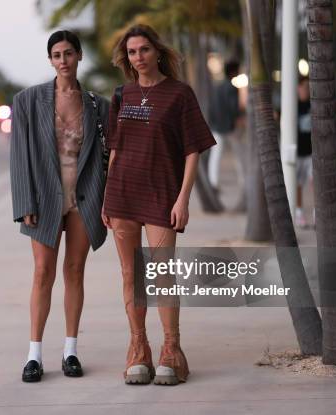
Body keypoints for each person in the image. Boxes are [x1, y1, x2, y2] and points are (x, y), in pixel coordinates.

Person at [102, 24, 216, 385]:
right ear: (128, 58)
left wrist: (183, 198)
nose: (139, 57)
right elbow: (115, 150)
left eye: (144, 50)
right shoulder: (123, 94)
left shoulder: (180, 94)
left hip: (162, 193)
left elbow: (193, 149)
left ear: (157, 52)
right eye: (132, 52)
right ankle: (139, 348)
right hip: (122, 193)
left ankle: (172, 351)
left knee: (162, 274)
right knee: (130, 275)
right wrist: (107, 195)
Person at [10, 30, 110, 382]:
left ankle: (70, 351)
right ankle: (34, 356)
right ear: (50, 60)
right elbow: (19, 155)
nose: (63, 60)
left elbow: (106, 156)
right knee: (42, 274)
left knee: (75, 271)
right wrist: (25, 202)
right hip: (43, 200)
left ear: (79, 56)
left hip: (82, 200)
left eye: (69, 53)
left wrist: (106, 201)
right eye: (56, 55)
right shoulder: (28, 100)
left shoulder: (99, 106)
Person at [207, 60, 242, 194]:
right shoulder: (232, 88)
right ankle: (242, 181)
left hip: (216, 126)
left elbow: (212, 107)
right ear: (233, 71)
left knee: (215, 155)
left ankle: (213, 182)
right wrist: (238, 119)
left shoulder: (218, 87)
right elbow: (234, 108)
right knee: (238, 155)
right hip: (229, 127)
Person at [295, 76, 313, 228]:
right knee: (298, 184)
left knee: (315, 182)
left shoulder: (313, 105)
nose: (305, 90)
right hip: (297, 153)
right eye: (303, 87)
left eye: (308, 87)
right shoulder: (292, 106)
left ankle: (317, 214)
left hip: (311, 152)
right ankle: (299, 212)